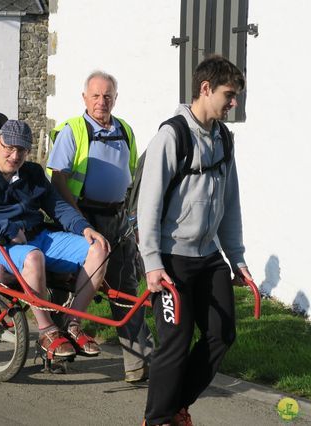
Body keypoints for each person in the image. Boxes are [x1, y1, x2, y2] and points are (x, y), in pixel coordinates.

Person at [138, 55, 252, 426]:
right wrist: (152, 264)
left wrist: (237, 259)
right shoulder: (172, 136)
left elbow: (229, 203)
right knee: (175, 340)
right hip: (172, 258)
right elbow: (149, 206)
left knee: (222, 334)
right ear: (206, 89)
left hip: (208, 256)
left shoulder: (223, 139)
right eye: (229, 95)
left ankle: (176, 408)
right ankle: (156, 419)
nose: (234, 103)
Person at [0, 119, 110, 359]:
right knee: (34, 257)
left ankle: (72, 323)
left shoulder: (32, 173)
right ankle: (47, 332)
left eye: (22, 150)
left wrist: (84, 228)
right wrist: (6, 228)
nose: (15, 156)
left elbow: (57, 206)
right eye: (9, 148)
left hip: (36, 237)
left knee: (98, 249)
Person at [47, 70, 154, 382]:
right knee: (68, 285)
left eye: (107, 96)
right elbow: (58, 179)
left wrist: (132, 217)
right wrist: (77, 218)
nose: (101, 101)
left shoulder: (125, 130)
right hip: (82, 218)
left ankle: (138, 363)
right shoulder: (73, 130)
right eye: (95, 95)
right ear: (84, 98)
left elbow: (132, 176)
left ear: (115, 98)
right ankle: (56, 350)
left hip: (117, 217)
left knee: (125, 288)